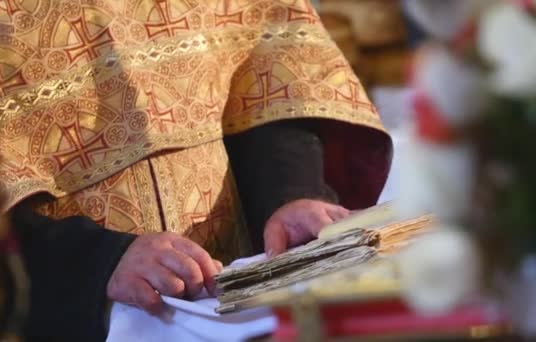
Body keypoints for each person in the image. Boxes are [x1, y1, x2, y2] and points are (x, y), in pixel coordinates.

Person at [0, 0, 392, 340]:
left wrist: (290, 194)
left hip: (243, 296)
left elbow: (266, 63)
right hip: (65, 310)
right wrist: (93, 262)